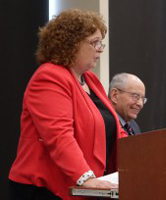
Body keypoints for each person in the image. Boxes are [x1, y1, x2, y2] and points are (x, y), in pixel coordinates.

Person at [8, 9, 127, 200]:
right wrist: (85, 178)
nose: (100, 49)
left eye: (100, 42)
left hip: (81, 186)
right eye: (94, 42)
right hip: (45, 188)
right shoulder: (49, 77)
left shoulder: (90, 80)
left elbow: (115, 129)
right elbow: (59, 136)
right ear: (71, 43)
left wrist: (141, 162)